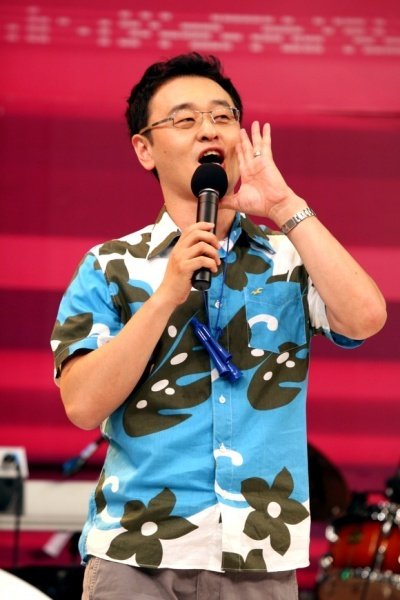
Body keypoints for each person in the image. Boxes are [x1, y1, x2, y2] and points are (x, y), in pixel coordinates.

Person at [50, 53, 386, 600]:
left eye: (223, 116)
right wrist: (167, 295)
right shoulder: (110, 266)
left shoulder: (288, 257)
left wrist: (284, 204)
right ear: (144, 149)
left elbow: (367, 318)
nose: (209, 129)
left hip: (260, 550)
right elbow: (83, 405)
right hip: (137, 550)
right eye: (185, 119)